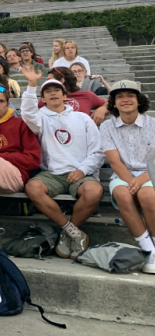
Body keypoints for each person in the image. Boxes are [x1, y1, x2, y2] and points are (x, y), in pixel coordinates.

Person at [21, 67, 104, 260]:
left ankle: (66, 235)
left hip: (81, 172)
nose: (52, 93)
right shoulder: (40, 117)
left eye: (56, 90)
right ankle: (73, 232)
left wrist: (83, 170)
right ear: (43, 99)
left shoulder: (82, 118)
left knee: (94, 191)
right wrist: (32, 84)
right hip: (52, 174)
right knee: (33, 188)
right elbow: (26, 112)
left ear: (65, 95)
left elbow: (98, 151)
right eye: (48, 91)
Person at [99, 80, 155, 273]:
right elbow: (114, 161)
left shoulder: (153, 124)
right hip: (122, 174)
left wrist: (141, 180)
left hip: (150, 174)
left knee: (147, 196)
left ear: (139, 100)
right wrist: (132, 181)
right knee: (123, 194)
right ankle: (149, 250)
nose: (125, 100)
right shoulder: (107, 127)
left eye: (130, 95)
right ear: (113, 103)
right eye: (120, 96)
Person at [40, 67, 108, 125]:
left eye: (50, 80)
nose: (46, 83)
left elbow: (109, 103)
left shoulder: (86, 95)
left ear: (62, 80)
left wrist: (102, 109)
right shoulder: (48, 99)